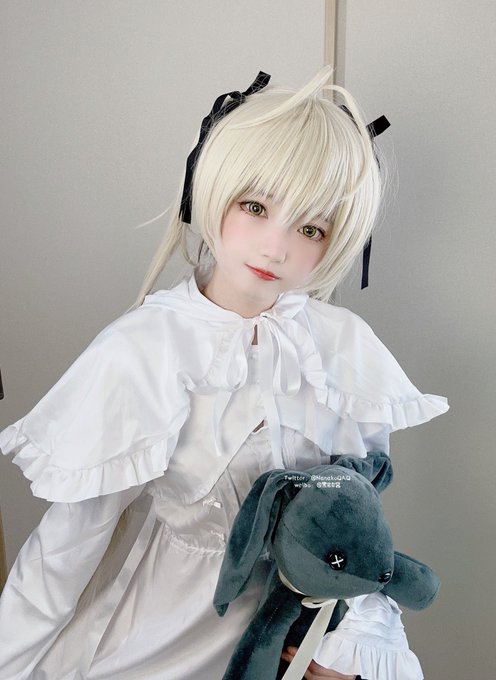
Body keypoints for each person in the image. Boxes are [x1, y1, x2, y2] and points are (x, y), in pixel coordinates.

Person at [0, 66, 448, 680]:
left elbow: (354, 524)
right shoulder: (142, 348)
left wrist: (349, 650)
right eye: (256, 207)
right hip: (156, 644)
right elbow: (66, 549)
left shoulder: (343, 348)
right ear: (214, 190)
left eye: (310, 228)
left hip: (294, 644)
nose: (275, 247)